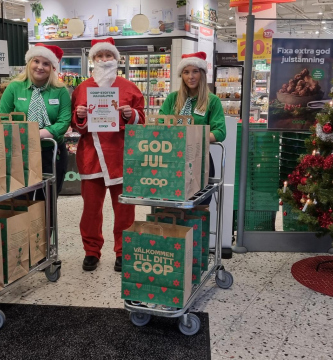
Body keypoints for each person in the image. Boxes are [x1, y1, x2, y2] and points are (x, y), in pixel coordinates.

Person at [71, 38, 145, 272]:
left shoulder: (130, 88)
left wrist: (129, 114)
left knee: (124, 208)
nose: (104, 60)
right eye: (99, 56)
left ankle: (124, 251)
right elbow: (77, 125)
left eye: (108, 56)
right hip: (91, 157)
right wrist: (80, 115)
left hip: (121, 156)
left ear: (116, 59)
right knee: (91, 209)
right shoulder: (82, 88)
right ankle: (91, 250)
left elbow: (141, 120)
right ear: (92, 60)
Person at [0, 43, 71, 198]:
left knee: (48, 200)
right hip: (19, 153)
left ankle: (46, 223)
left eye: (46, 63)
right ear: (29, 62)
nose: (40, 67)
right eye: (36, 61)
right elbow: (2, 118)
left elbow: (64, 122)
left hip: (51, 153)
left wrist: (36, 134)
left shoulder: (60, 91)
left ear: (52, 67)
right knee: (21, 199)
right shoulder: (14, 88)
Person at [159, 51, 226, 204]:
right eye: (186, 72)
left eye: (195, 71)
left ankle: (196, 228)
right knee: (171, 205)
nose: (191, 76)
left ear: (202, 73)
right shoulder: (172, 99)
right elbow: (160, 123)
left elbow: (220, 132)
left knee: (199, 207)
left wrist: (192, 136)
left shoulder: (212, 101)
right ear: (181, 76)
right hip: (171, 158)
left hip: (199, 160)